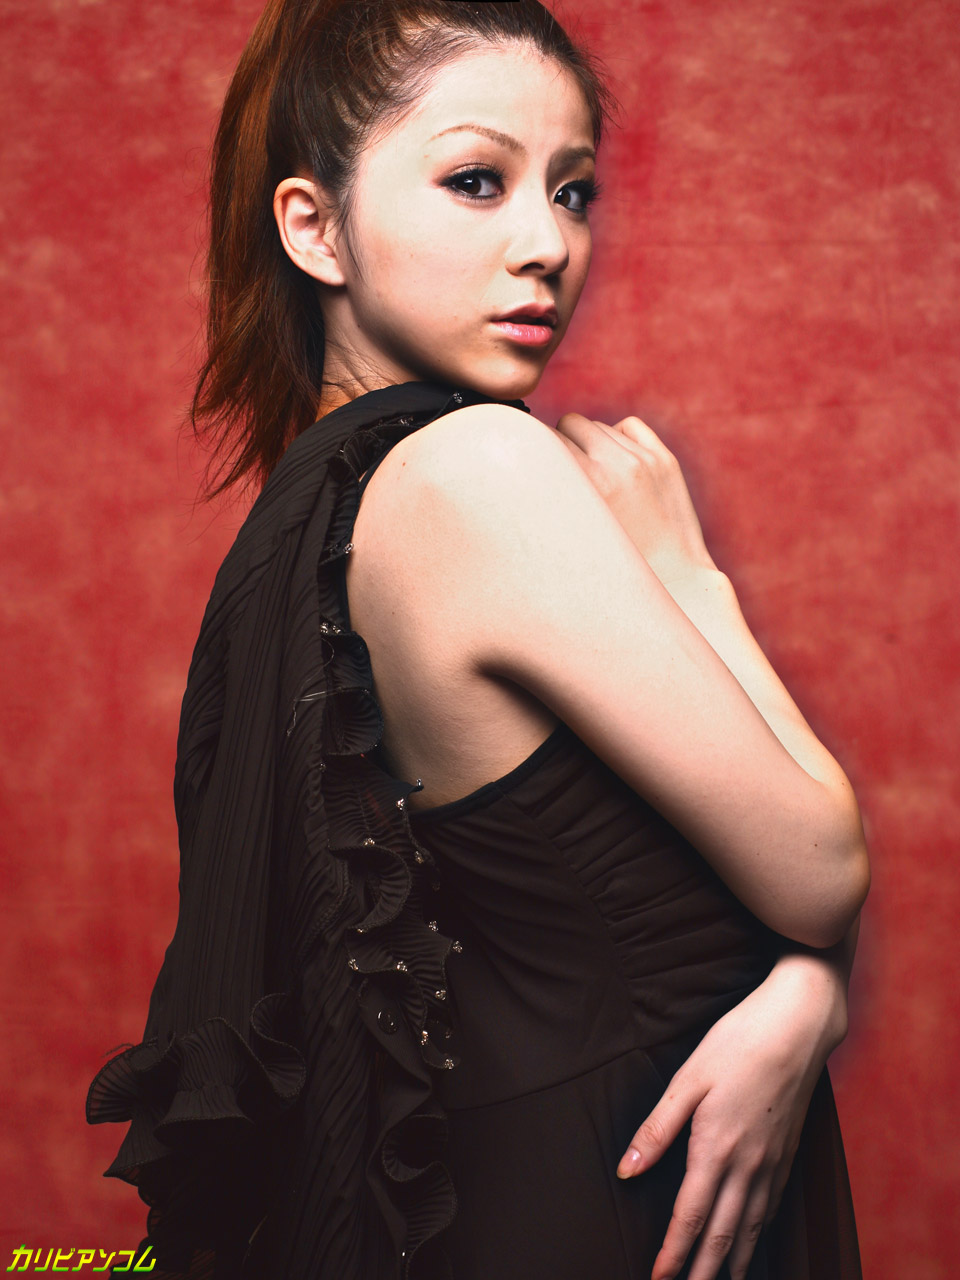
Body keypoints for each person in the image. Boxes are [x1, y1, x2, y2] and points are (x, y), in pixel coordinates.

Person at [86, 3, 870, 1278]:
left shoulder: (314, 516)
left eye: (572, 190)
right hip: (629, 1210)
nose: (548, 243)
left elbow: (568, 926)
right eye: (475, 181)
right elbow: (819, 866)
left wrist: (799, 993)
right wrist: (691, 572)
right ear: (315, 227)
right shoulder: (477, 473)